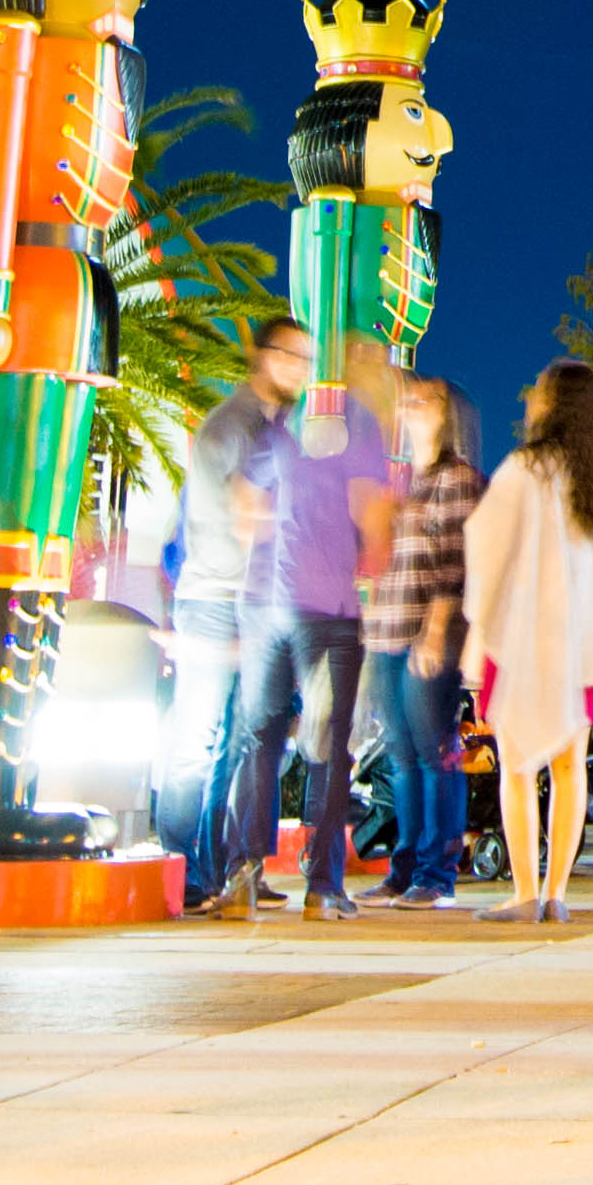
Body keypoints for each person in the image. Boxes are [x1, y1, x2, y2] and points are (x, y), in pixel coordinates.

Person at [464, 361, 593, 921]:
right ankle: (556, 895)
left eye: (537, 392)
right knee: (571, 765)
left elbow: (487, 545)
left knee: (518, 766)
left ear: (553, 405)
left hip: (529, 642)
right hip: (589, 648)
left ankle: (525, 892)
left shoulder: (526, 469)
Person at [226, 351, 388, 916]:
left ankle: (242, 875)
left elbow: (245, 504)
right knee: (328, 748)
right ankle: (322, 886)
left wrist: (278, 538)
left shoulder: (287, 423)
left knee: (261, 739)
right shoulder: (358, 423)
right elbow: (372, 515)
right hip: (328, 606)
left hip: (268, 602)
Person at [169, 321, 309, 906]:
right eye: (294, 357)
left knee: (241, 744)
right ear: (263, 357)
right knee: (198, 741)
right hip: (215, 599)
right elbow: (244, 515)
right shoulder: (234, 425)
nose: (304, 369)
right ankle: (181, 872)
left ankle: (228, 871)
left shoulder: (274, 429)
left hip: (248, 601)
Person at [365, 380, 484, 907]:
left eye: (427, 399)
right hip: (385, 632)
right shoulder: (401, 482)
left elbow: (455, 565)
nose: (412, 403)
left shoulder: (455, 479)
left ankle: (438, 875)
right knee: (401, 756)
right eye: (409, 398)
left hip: (424, 634)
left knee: (437, 753)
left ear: (449, 416)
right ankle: (405, 866)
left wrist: (435, 632)